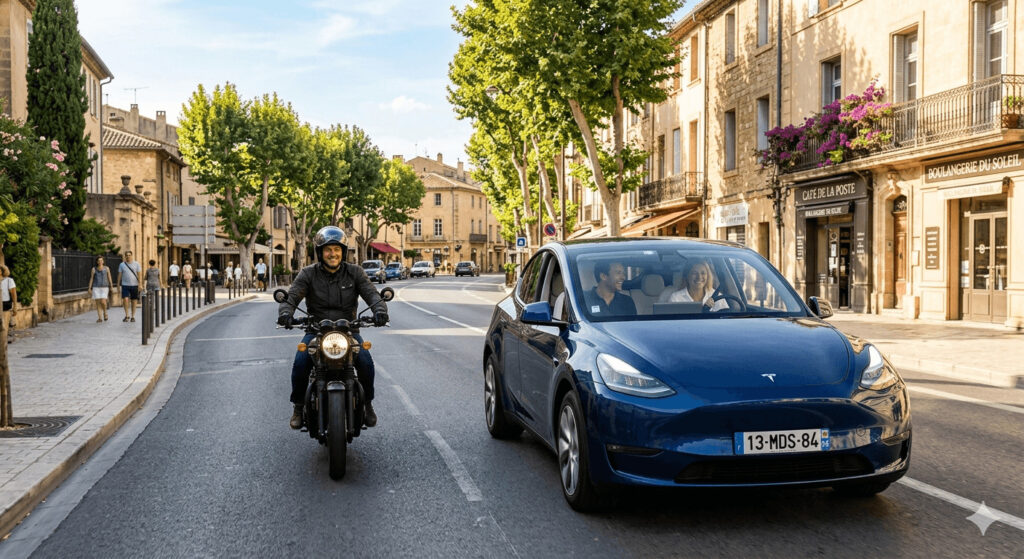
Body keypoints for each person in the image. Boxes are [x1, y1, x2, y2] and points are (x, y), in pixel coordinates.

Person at [278, 226, 388, 430]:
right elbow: (291, 297)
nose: (333, 253)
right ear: (320, 252)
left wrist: (379, 310)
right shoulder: (308, 274)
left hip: (349, 331)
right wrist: (286, 314)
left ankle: (367, 404)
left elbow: (372, 294)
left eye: (337, 249)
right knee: (300, 362)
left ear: (343, 251)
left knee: (365, 361)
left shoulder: (355, 272)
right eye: (328, 249)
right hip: (316, 330)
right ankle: (298, 405)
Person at [117, 251, 142, 322]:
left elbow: (139, 274)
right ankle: (127, 315)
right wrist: (118, 284)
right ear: (125, 256)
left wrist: (140, 284)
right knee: (125, 299)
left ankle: (133, 316)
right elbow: (119, 275)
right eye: (127, 255)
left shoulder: (136, 264)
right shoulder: (122, 265)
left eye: (129, 255)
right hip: (125, 285)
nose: (128, 256)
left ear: (132, 256)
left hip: (134, 285)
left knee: (134, 301)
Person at [87, 256, 113, 322]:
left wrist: (111, 286)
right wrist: (89, 288)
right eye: (99, 260)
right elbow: (91, 278)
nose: (100, 262)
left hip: (105, 287)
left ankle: (105, 312)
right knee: (98, 303)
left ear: (103, 261)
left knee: (103, 302)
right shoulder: (94, 269)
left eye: (101, 260)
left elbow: (109, 277)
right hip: (96, 287)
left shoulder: (106, 268)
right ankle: (100, 318)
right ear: (97, 262)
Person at [1, 264, 17, 343]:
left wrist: (15, 307)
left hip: (5, 304)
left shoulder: (9, 280)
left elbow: (13, 294)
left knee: (4, 325)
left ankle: (4, 340)